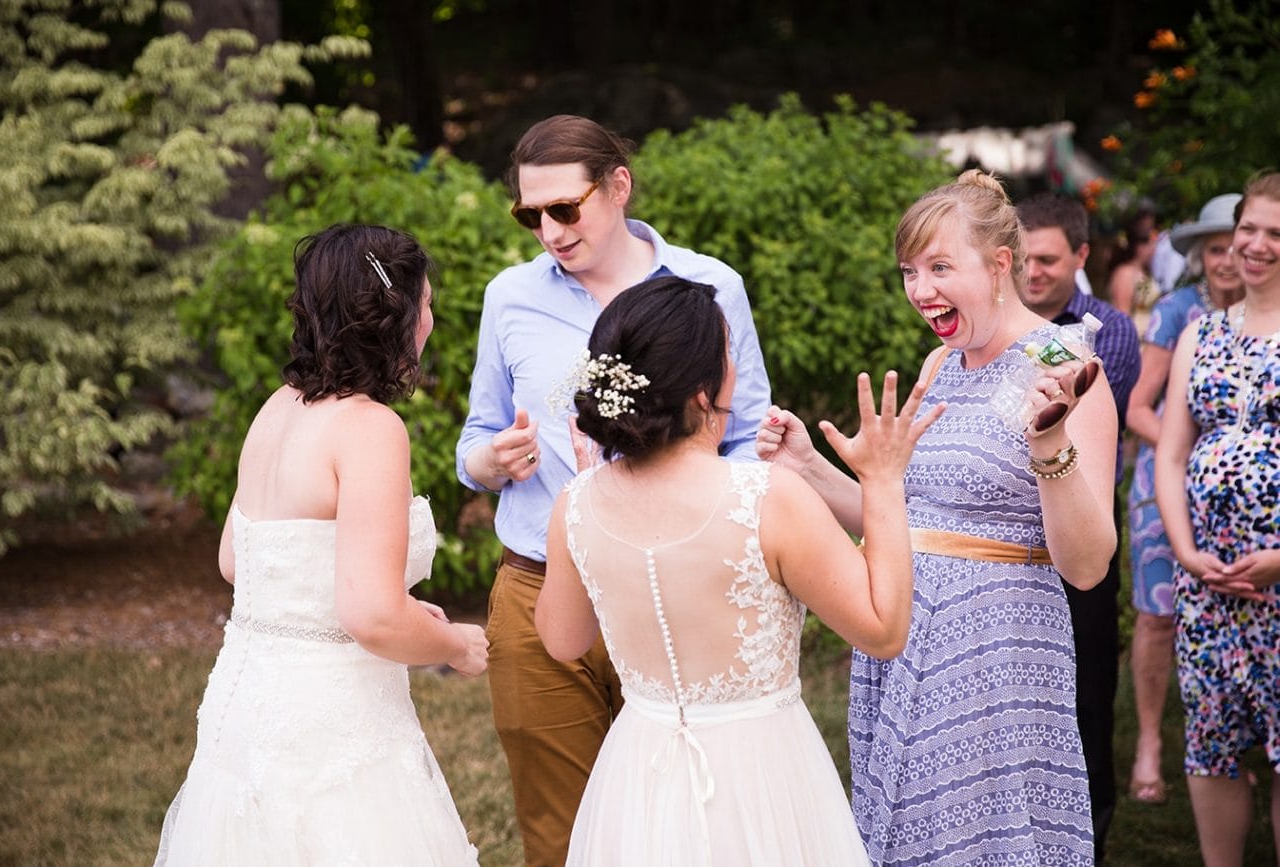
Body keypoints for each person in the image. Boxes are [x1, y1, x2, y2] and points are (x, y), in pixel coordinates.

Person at [758, 170, 1118, 866]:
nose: (921, 289)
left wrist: (1051, 444)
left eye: (940, 267)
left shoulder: (1061, 360)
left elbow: (1088, 563)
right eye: (909, 271)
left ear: (1000, 264)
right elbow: (910, 517)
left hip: (995, 649)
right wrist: (806, 467)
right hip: (902, 638)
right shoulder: (942, 361)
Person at [534, 275, 941, 865]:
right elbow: (884, 629)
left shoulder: (576, 502)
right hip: (762, 774)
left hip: (639, 775)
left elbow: (561, 638)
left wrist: (583, 501)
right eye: (728, 351)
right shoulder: (767, 498)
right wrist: (882, 481)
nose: (735, 363)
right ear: (703, 392)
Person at [455, 115, 771, 866]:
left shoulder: (709, 287)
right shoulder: (511, 296)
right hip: (538, 587)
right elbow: (473, 441)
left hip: (676, 588)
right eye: (530, 215)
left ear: (618, 185)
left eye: (565, 208)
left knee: (682, 828)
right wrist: (495, 460)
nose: (548, 230)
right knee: (559, 837)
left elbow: (750, 436)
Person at [154, 224, 488, 866]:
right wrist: (455, 643)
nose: (432, 320)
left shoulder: (278, 408)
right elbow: (371, 616)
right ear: (391, 316)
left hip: (248, 702)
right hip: (331, 728)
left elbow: (236, 560)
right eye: (425, 304)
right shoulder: (369, 429)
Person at [1154, 172, 1280, 867]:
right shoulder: (1200, 334)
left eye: (1274, 234)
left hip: (1278, 582)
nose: (1255, 246)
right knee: (1211, 743)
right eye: (1249, 228)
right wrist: (1187, 550)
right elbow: (1172, 454)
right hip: (1207, 581)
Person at [1017, 191, 1141, 863]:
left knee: (1088, 683)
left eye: (1049, 259)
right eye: (1024, 259)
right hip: (1013, 536)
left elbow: (1084, 402)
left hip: (1083, 513)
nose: (1034, 273)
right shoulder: (985, 334)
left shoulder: (1107, 328)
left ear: (1081, 257)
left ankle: (1091, 827)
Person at [1125, 193, 1244, 806]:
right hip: (1162, 484)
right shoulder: (1176, 311)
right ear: (1201, 255)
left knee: (1233, 607)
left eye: (1235, 245)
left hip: (1235, 498)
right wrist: (1193, 451)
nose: (1228, 259)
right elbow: (1137, 407)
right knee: (1158, 615)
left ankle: (1230, 740)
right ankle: (1149, 740)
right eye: (1216, 248)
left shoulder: (1265, 316)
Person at [1107, 209, 1162, 336]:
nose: (1153, 248)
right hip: (1134, 341)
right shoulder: (1125, 273)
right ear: (1138, 246)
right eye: (1148, 242)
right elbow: (1122, 314)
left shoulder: (1145, 271)